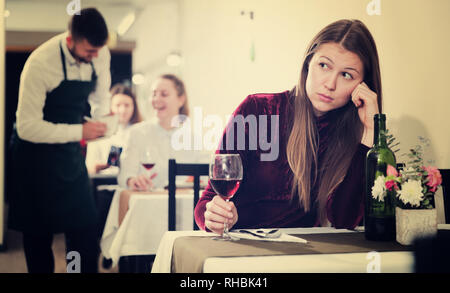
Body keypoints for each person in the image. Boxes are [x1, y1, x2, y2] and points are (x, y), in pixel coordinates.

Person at [195, 19, 382, 236]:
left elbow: (344, 220)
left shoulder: (352, 138)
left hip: (300, 257)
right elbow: (207, 200)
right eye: (324, 66)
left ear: (362, 86)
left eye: (346, 74)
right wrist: (214, 217)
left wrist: (370, 132)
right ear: (308, 63)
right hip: (241, 248)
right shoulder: (257, 109)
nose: (330, 84)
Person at [8, 8, 111, 273]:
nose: (95, 57)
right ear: (70, 41)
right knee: (38, 235)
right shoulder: (40, 63)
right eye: (89, 52)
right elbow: (28, 128)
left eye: (99, 50)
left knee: (83, 231)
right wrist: (80, 132)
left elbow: (101, 101)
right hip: (34, 158)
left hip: (68, 154)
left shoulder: (99, 52)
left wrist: (103, 123)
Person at [118, 74, 207, 192]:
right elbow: (125, 175)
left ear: (181, 100)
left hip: (183, 205)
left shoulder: (193, 139)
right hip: (145, 204)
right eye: (154, 94)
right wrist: (132, 180)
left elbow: (206, 175)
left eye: (164, 94)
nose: (156, 99)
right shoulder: (136, 133)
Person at [85, 83, 143, 175]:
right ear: (110, 107)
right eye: (118, 105)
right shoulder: (98, 132)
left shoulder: (141, 132)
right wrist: (97, 167)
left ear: (134, 107)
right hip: (105, 184)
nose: (123, 110)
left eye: (127, 105)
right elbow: (89, 167)